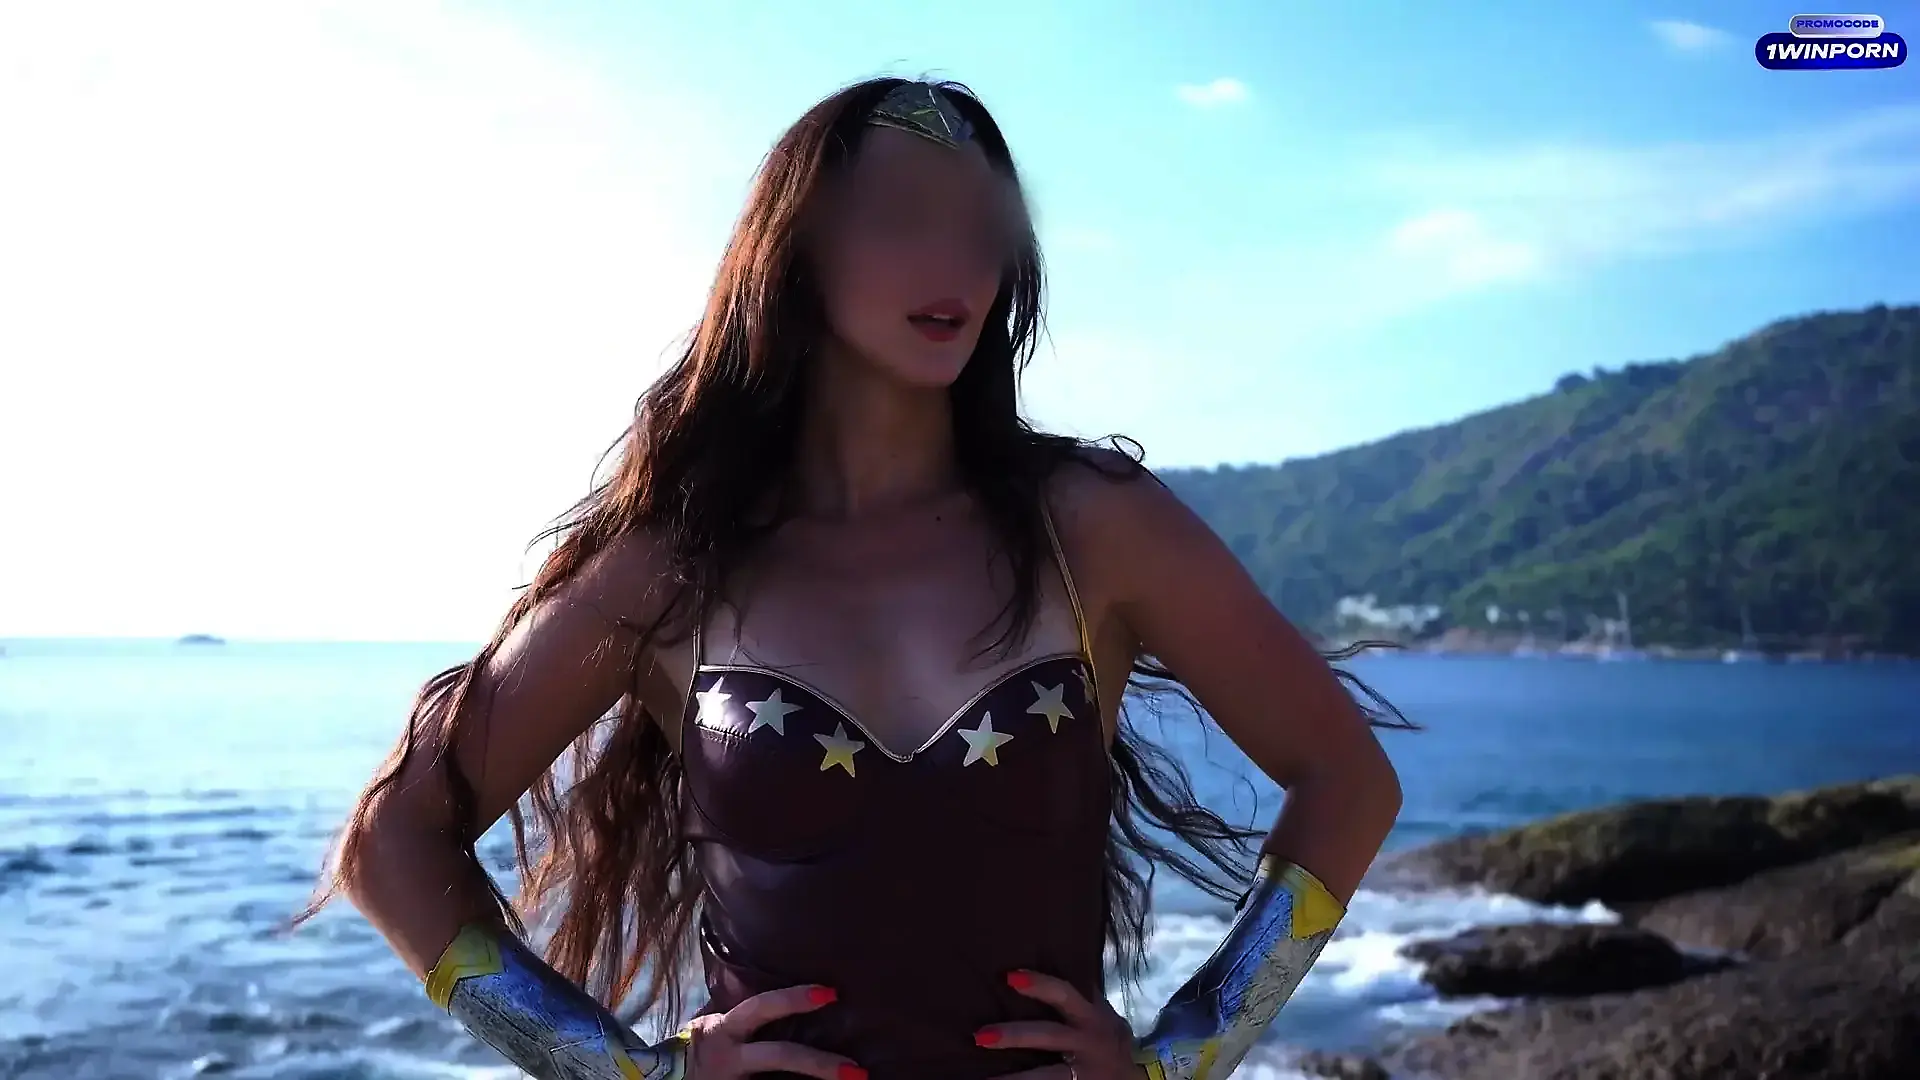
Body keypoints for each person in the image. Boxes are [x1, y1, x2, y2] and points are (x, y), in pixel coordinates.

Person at [301, 77, 1407, 1080]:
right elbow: (390, 843)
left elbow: (1348, 782)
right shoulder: (676, 562)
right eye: (903, 219)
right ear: (799, 252)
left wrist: (1185, 1053)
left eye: (982, 229)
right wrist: (622, 1071)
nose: (955, 264)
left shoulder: (1092, 525)